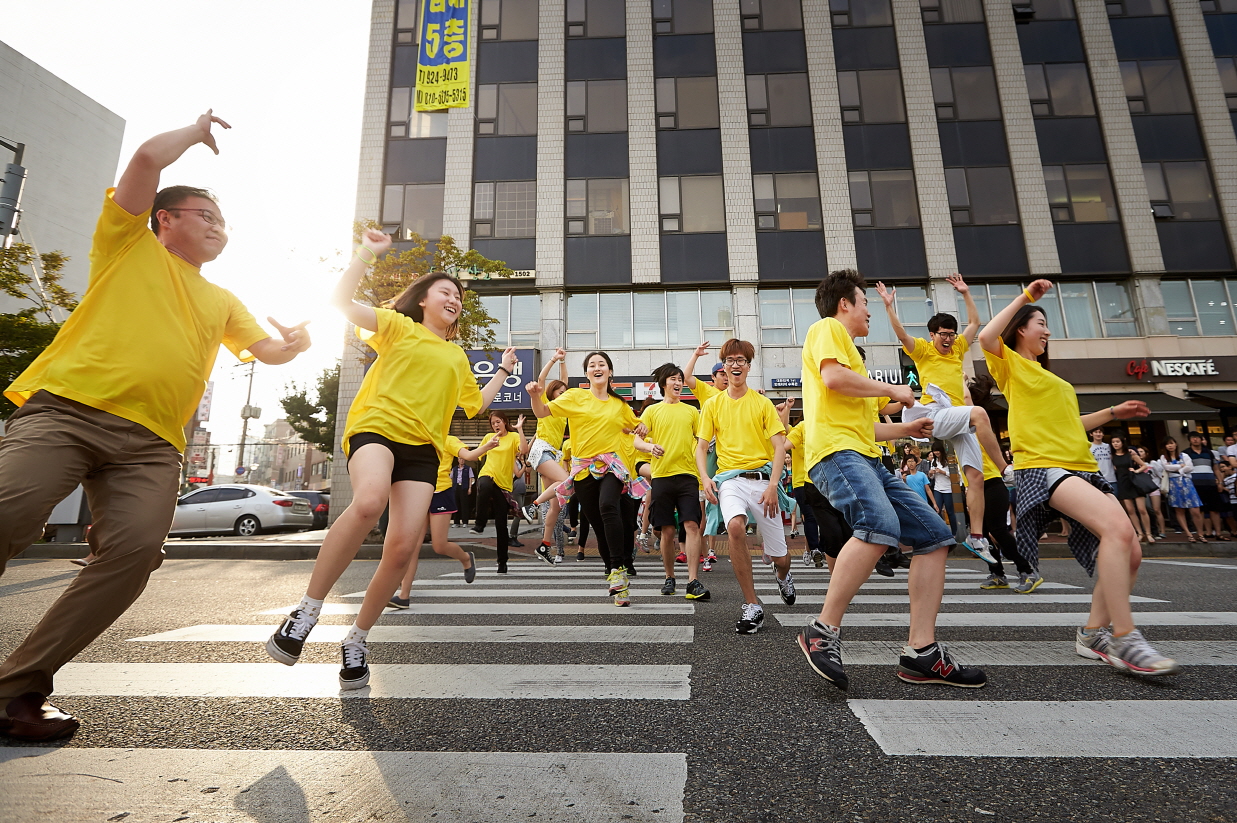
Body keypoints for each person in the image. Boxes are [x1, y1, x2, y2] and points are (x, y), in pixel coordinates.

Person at [0, 112, 315, 741]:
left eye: (221, 220)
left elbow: (267, 352)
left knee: (137, 552)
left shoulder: (222, 299)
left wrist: (296, 345)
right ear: (164, 220)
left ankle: (17, 691)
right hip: (67, 410)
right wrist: (195, 133)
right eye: (204, 214)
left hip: (151, 447)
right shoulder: (128, 244)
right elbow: (145, 160)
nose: (217, 225)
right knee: (7, 513)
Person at [264, 232, 515, 690]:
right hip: (376, 429)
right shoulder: (397, 327)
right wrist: (365, 253)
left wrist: (502, 371)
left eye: (459, 296)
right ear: (422, 300)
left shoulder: (457, 356)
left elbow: (475, 406)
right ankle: (306, 612)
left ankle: (357, 638)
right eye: (446, 291)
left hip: (423, 450)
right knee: (368, 501)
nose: (454, 299)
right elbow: (340, 301)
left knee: (402, 547)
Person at [979, 279, 1179, 677]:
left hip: (1082, 467)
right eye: (1041, 322)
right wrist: (1027, 297)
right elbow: (985, 336)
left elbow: (1072, 424)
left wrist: (1112, 412)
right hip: (1045, 466)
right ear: (1021, 328)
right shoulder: (1011, 366)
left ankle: (1092, 633)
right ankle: (1125, 636)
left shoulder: (1053, 379)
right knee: (1118, 534)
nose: (1047, 330)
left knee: (1131, 550)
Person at [795, 269, 984, 690]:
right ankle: (822, 630)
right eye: (864, 304)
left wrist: (905, 430)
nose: (868, 313)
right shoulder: (826, 328)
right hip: (836, 455)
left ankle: (921, 652)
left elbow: (866, 428)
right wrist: (894, 390)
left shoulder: (854, 360)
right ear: (845, 303)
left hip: (866, 456)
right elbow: (833, 379)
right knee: (878, 526)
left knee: (935, 537)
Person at [876, 274, 1005, 565]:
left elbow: (974, 324)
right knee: (980, 414)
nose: (948, 339)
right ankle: (1006, 468)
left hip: (956, 419)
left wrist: (966, 293)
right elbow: (901, 335)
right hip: (936, 412)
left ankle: (976, 536)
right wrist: (888, 306)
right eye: (942, 334)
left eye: (950, 334)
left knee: (976, 477)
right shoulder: (922, 350)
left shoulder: (958, 348)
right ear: (933, 334)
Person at [529, 351, 648, 606]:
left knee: (608, 506)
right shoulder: (575, 397)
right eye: (592, 365)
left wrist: (643, 427)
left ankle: (618, 568)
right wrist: (533, 395)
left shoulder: (619, 404)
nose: (597, 368)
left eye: (601, 364)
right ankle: (616, 576)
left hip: (612, 466)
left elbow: (636, 427)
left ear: (609, 372)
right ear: (586, 374)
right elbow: (541, 412)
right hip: (582, 471)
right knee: (599, 527)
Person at [695, 339, 793, 634]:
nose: (735, 364)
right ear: (723, 367)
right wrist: (705, 477)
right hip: (729, 480)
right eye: (730, 360)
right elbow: (701, 447)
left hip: (763, 482)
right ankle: (752, 605)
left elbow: (779, 447)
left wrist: (774, 485)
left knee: (782, 557)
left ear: (749, 366)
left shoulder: (762, 404)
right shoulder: (712, 405)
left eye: (741, 360)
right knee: (735, 527)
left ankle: (782, 574)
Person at [388, 435, 499, 608]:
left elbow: (469, 456)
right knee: (412, 547)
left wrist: (487, 446)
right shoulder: (417, 437)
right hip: (419, 491)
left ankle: (465, 558)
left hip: (441, 493)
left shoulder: (448, 440)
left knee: (439, 545)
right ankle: (404, 596)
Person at [641, 362, 711, 601]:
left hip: (688, 477)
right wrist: (650, 445)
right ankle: (669, 577)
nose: (678, 382)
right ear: (663, 384)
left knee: (691, 526)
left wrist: (704, 474)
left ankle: (693, 581)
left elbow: (702, 443)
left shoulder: (692, 411)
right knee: (667, 531)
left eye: (680, 379)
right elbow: (636, 442)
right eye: (673, 379)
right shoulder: (652, 411)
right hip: (661, 477)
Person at [967, 377, 1035, 590]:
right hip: (975, 487)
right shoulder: (964, 425)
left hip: (992, 483)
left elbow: (967, 404)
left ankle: (1027, 571)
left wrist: (960, 382)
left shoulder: (976, 422)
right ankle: (997, 574)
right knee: (984, 534)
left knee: (997, 530)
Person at [522, 348, 571, 563]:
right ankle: (531, 506)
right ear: (551, 394)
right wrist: (553, 359)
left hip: (554, 454)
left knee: (556, 505)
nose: (563, 394)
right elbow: (541, 378)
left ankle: (545, 545)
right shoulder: (546, 405)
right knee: (566, 481)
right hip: (541, 450)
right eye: (560, 392)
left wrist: (563, 361)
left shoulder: (564, 410)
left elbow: (565, 381)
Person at [682, 343, 727, 568]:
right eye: (722, 374)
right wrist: (695, 355)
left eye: (728, 373)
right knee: (705, 506)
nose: (727, 377)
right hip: (708, 451)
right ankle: (703, 553)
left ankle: (711, 550)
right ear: (713, 377)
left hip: (729, 454)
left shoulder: (735, 394)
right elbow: (686, 376)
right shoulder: (706, 391)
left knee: (723, 507)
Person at [473, 411, 528, 571]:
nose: (495, 425)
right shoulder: (489, 437)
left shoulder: (513, 437)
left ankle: (502, 562)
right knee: (483, 485)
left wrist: (520, 429)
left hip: (503, 485)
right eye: (493, 423)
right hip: (488, 474)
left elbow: (523, 450)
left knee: (501, 525)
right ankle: (479, 523)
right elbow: (477, 454)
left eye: (498, 422)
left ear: (504, 421)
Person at [1184, 432, 1230, 541]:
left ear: (1201, 439)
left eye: (1197, 438)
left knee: (1215, 509)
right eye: (1192, 438)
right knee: (1198, 510)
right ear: (1189, 440)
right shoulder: (1186, 453)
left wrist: (1220, 482)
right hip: (1194, 485)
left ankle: (1218, 533)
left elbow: (1216, 468)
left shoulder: (1209, 452)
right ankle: (1201, 534)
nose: (1195, 440)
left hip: (1210, 483)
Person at [1111, 434, 1154, 544]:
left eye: (1117, 441)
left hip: (1134, 482)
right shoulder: (1113, 456)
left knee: (1142, 509)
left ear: (1122, 442)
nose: (1115, 444)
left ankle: (1148, 533)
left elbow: (1144, 466)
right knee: (1130, 510)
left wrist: (1136, 471)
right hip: (1122, 483)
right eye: (1113, 442)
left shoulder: (1130, 454)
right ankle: (1139, 533)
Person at [1160, 438, 1206, 542]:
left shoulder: (1184, 455)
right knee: (1179, 510)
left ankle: (1200, 533)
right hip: (1174, 484)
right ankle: (1188, 533)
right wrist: (1181, 466)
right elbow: (1167, 468)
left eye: (1171, 443)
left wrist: (1178, 468)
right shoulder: (1164, 457)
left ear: (1176, 444)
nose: (1170, 446)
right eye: (1167, 444)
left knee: (1195, 510)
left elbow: (1190, 467)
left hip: (1187, 483)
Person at [1136, 445, 1167, 538]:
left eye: (1141, 451)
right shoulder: (1135, 464)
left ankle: (1162, 531)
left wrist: (1161, 486)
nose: (1140, 453)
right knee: (1147, 509)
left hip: (1154, 488)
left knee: (1156, 509)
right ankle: (1152, 530)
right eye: (1138, 452)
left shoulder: (1153, 463)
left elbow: (1161, 475)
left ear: (1146, 453)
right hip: (1143, 489)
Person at [927, 443, 957, 534]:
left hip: (948, 489)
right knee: (937, 510)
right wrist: (931, 473)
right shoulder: (933, 461)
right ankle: (942, 532)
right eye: (934, 451)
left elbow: (954, 475)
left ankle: (955, 532)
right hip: (937, 489)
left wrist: (942, 472)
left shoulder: (948, 460)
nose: (936, 452)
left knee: (950, 511)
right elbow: (932, 478)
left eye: (937, 450)